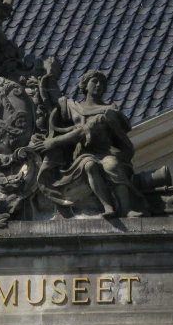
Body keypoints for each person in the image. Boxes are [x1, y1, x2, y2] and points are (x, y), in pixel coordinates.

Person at [31, 70, 146, 218]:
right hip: (83, 153)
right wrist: (50, 74)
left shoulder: (108, 112)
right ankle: (107, 206)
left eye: (102, 83)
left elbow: (82, 132)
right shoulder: (73, 106)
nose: (98, 85)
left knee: (113, 165)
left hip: (105, 152)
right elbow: (51, 101)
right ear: (85, 85)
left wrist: (52, 142)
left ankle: (126, 209)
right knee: (89, 165)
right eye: (94, 81)